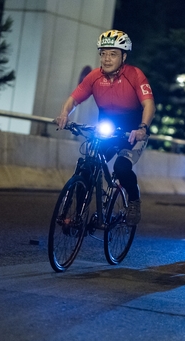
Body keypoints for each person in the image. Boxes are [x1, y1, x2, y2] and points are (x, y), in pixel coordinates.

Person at [56, 30, 155, 226]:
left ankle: (134, 201)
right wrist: (64, 114)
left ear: (124, 56)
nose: (106, 59)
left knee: (121, 167)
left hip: (132, 134)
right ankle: (77, 215)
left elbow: (149, 105)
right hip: (107, 131)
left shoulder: (135, 75)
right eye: (103, 53)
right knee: (87, 166)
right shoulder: (95, 76)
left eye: (113, 54)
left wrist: (142, 128)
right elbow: (74, 99)